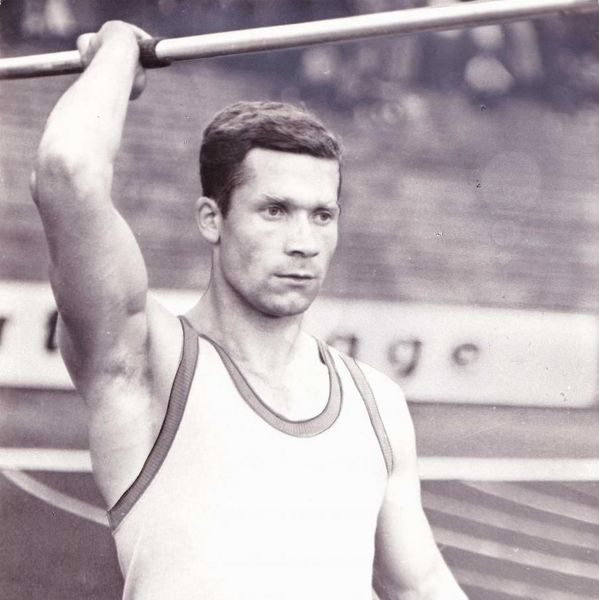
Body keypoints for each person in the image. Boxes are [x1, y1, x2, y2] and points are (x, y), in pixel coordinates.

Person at [30, 20, 467, 600]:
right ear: (212, 219)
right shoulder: (147, 362)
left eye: (322, 215)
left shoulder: (377, 402)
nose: (304, 242)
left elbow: (420, 585)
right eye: (275, 210)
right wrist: (116, 49)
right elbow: (67, 171)